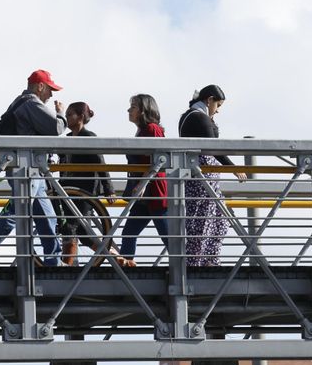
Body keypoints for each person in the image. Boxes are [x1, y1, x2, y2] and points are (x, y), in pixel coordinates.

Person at [0, 70, 66, 267]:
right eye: (50, 90)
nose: (51, 95)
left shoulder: (18, 102)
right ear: (40, 86)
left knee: (47, 216)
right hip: (26, 170)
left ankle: (54, 261)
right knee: (19, 209)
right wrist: (60, 113)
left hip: (31, 169)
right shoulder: (31, 102)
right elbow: (56, 128)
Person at [178, 85, 246, 266]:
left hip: (205, 179)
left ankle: (208, 260)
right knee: (202, 222)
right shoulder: (198, 117)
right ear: (209, 100)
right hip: (201, 180)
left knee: (219, 221)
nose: (218, 110)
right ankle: (197, 263)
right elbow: (213, 148)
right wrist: (233, 168)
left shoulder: (195, 116)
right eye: (218, 105)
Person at [58, 102, 119, 265]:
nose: (67, 117)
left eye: (70, 114)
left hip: (85, 191)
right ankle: (115, 257)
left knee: (72, 227)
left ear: (80, 117)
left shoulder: (89, 137)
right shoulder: (68, 139)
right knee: (81, 232)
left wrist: (109, 189)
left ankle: (66, 266)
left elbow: (100, 164)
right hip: (69, 190)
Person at [118, 94, 169, 267]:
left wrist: (141, 184)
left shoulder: (152, 129)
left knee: (168, 235)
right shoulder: (142, 130)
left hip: (152, 191)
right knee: (129, 233)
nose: (129, 110)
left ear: (143, 110)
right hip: (144, 194)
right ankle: (126, 268)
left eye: (133, 107)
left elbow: (158, 160)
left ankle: (186, 269)